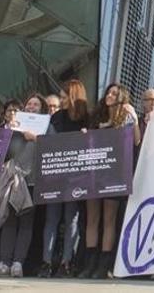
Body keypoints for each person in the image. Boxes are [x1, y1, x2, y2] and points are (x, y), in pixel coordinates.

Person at [78, 82, 139, 279]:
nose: (110, 95)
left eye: (114, 93)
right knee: (92, 218)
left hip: (115, 173)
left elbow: (136, 141)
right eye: (108, 92)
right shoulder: (97, 117)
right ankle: (89, 263)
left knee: (109, 219)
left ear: (121, 98)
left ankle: (103, 265)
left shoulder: (127, 118)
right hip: (94, 172)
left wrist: (136, 119)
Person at [0, 95, 45, 278]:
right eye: (29, 103)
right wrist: (9, 131)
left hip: (32, 182)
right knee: (9, 221)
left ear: (42, 108)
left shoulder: (47, 126)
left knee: (26, 223)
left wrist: (36, 138)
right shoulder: (14, 126)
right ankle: (4, 262)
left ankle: (18, 263)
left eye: (36, 104)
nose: (32, 106)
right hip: (12, 180)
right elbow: (3, 152)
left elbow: (53, 149)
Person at [40, 79, 88, 278]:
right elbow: (49, 141)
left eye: (63, 97)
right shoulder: (56, 117)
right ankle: (47, 262)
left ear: (73, 96)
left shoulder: (86, 118)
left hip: (77, 177)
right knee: (51, 218)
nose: (60, 101)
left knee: (72, 219)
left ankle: (66, 262)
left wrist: (88, 135)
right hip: (55, 175)